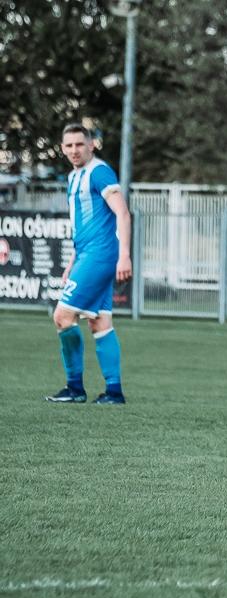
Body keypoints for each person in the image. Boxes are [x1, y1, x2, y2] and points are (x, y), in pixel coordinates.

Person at [46, 124, 132, 405]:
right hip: (87, 254)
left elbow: (122, 213)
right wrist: (72, 261)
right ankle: (114, 392)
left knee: (62, 316)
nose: (74, 150)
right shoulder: (74, 177)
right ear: (62, 148)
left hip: (100, 254)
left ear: (91, 145)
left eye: (80, 144)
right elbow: (84, 226)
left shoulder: (98, 172)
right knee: (100, 322)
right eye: (69, 145)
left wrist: (124, 255)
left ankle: (74, 388)